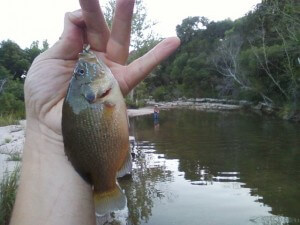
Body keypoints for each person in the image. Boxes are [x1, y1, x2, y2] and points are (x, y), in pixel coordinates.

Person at [9, 0, 180, 224]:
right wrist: (44, 127)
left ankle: (105, 187)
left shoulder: (102, 93)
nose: (84, 66)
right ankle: (105, 188)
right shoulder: (100, 94)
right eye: (81, 71)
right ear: (90, 94)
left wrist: (45, 130)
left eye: (79, 71)